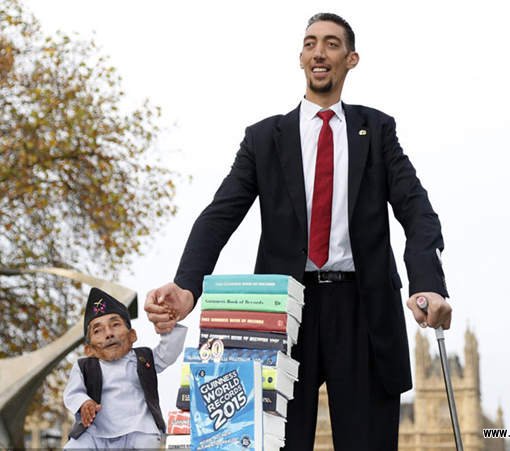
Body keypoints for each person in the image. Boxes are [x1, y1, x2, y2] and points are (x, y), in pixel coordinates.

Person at [145, 12, 452, 451]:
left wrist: (428, 284)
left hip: (364, 312)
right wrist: (186, 286)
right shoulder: (263, 138)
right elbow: (219, 216)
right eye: (310, 44)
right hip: (281, 316)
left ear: (351, 59)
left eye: (330, 43)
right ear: (301, 58)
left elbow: (419, 213)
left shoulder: (379, 131)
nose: (319, 52)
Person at [63, 287, 187, 449]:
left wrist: (168, 324)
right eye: (98, 330)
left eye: (115, 325)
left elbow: (167, 354)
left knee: (147, 443)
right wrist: (84, 403)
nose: (108, 334)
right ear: (89, 350)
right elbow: (73, 393)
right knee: (75, 447)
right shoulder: (84, 366)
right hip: (96, 433)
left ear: (132, 335)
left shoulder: (142, 359)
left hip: (138, 429)